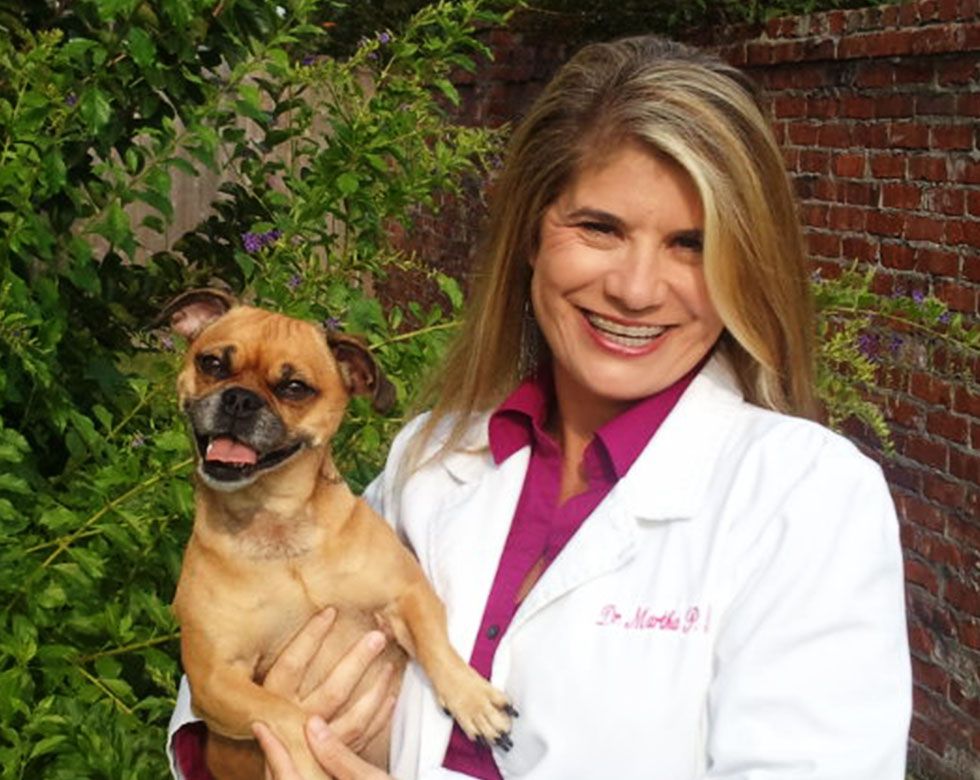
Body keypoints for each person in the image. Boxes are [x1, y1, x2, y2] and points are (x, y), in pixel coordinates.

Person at [169, 34, 912, 779]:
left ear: (741, 266)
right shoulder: (431, 457)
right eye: (600, 228)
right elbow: (230, 657)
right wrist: (241, 754)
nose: (636, 289)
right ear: (531, 233)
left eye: (691, 244)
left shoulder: (808, 498)